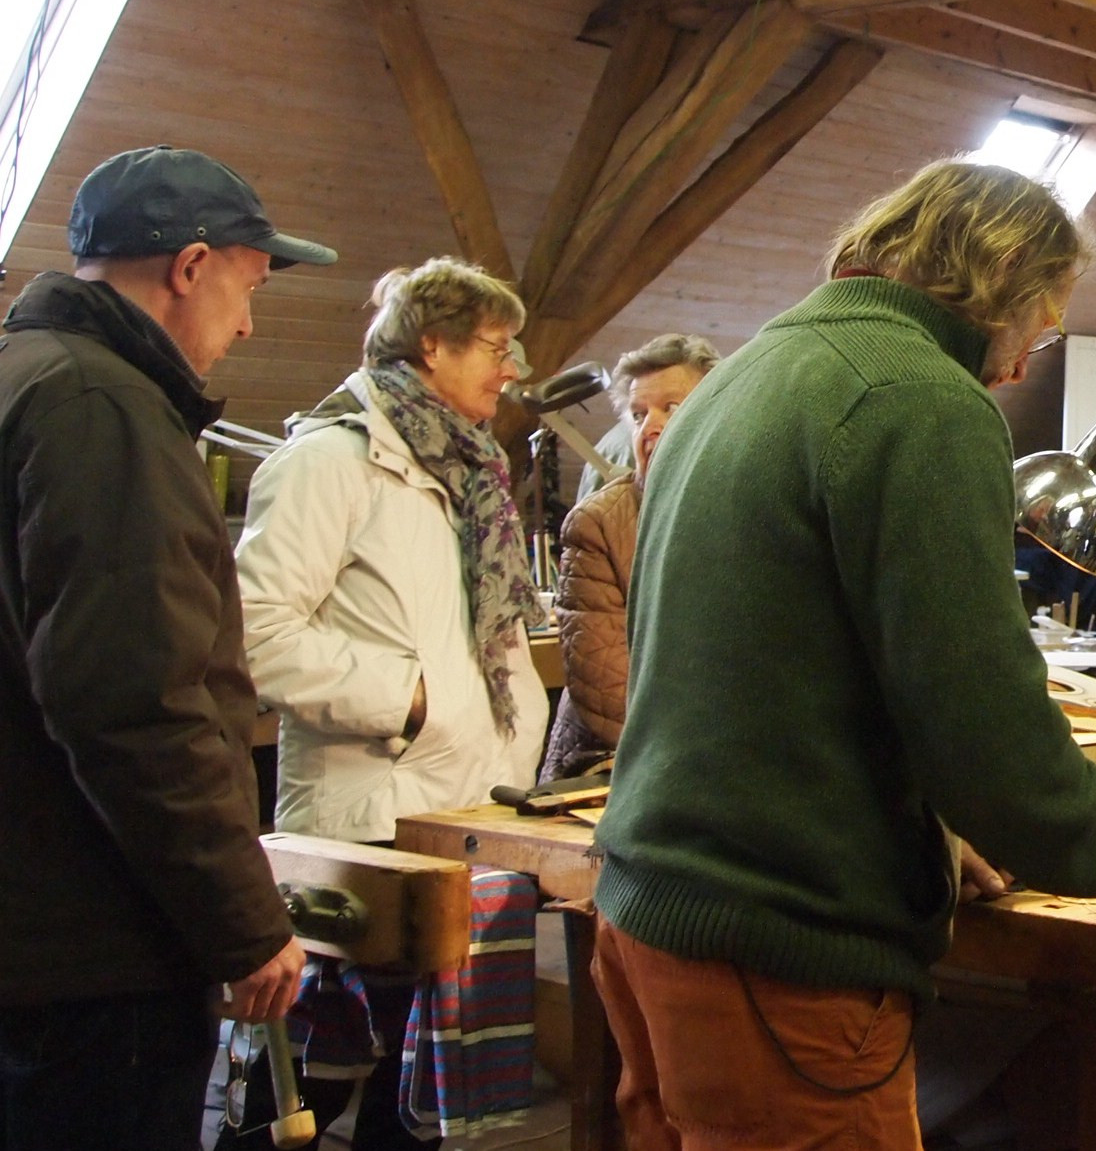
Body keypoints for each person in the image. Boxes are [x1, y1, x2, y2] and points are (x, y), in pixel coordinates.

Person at [590, 160, 1096, 1149]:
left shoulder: (745, 374)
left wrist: (922, 824)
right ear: (997, 284)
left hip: (653, 910)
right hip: (778, 948)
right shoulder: (920, 401)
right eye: (1040, 323)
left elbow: (775, 659)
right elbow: (980, 711)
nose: (1023, 365)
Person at [0, 146, 328, 1147]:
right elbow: (131, 699)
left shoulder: (24, 375)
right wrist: (241, 921)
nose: (247, 323)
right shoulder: (102, 409)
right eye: (247, 285)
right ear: (189, 267)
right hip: (93, 946)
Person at [225, 256, 551, 1149]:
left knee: (416, 1106)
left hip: (462, 814)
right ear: (431, 345)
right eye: (495, 344)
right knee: (317, 1086)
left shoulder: (473, 475)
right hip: (368, 825)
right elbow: (253, 635)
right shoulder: (331, 461)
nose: (513, 364)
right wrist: (407, 700)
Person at [539, 332, 721, 782]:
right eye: (639, 414)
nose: (650, 427)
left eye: (671, 408)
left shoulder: (753, 507)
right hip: (615, 772)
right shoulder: (598, 524)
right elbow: (607, 692)